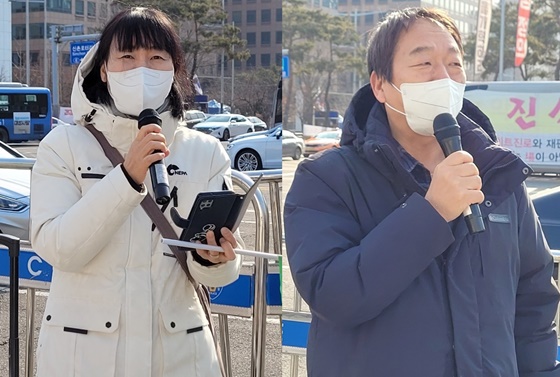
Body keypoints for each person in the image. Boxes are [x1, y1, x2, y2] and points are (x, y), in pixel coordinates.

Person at [284, 7, 560, 377]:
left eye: (454, 64)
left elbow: (534, 301)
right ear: (380, 85)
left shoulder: (497, 175)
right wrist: (431, 214)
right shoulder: (326, 178)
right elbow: (331, 294)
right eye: (424, 63)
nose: (443, 77)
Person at [30, 8, 241, 377]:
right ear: (104, 70)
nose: (141, 68)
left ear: (174, 70)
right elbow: (57, 248)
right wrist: (127, 176)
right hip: (84, 357)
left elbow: (212, 276)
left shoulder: (204, 152)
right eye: (127, 57)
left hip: (179, 355)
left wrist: (216, 260)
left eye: (156, 57)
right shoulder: (62, 145)